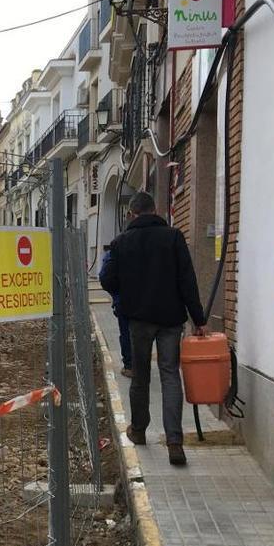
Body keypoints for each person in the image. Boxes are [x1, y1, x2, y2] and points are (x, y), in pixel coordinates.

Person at [99, 192, 207, 466]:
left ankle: (138, 430)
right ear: (155, 210)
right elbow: (187, 279)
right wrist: (199, 318)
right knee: (171, 375)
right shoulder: (173, 237)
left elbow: (107, 279)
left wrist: (126, 292)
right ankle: (174, 442)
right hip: (171, 319)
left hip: (138, 319)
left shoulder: (122, 242)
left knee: (141, 376)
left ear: (132, 214)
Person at [98, 244, 133, 378]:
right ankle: (140, 365)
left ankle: (130, 366)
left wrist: (116, 294)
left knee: (126, 333)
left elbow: (105, 277)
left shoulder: (116, 250)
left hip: (123, 301)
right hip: (146, 300)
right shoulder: (148, 247)